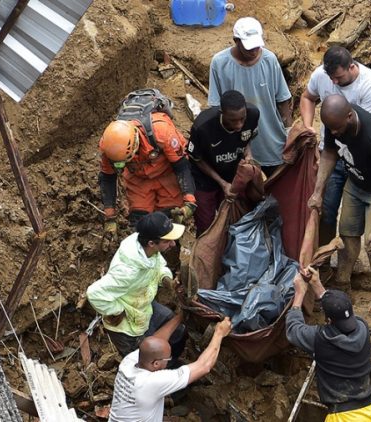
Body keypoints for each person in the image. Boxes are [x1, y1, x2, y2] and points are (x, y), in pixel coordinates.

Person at [308, 95, 371, 333]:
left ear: (350, 116)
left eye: (338, 129)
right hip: (357, 182)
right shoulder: (335, 123)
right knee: (347, 235)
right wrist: (318, 192)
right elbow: (330, 153)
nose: (335, 133)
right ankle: (343, 285)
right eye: (331, 129)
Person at [299, 46, 371, 253]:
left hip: (359, 158)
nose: (334, 83)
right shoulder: (322, 75)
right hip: (330, 152)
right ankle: (323, 258)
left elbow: (365, 131)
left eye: (338, 77)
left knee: (350, 220)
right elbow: (308, 97)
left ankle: (347, 263)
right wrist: (309, 126)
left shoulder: (370, 86)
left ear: (352, 67)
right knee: (325, 209)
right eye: (331, 78)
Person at [86, 212, 187, 359]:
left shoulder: (147, 248)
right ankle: (158, 374)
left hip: (143, 305)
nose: (172, 244)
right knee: (144, 360)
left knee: (175, 328)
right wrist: (118, 311)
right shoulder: (128, 271)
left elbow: (158, 265)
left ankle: (171, 364)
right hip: (127, 326)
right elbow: (94, 294)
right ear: (152, 243)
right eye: (167, 241)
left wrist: (167, 280)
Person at [286, 268, 371, 421]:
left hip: (341, 417)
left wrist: (299, 294)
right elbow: (339, 312)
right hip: (368, 412)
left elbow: (293, 329)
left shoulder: (323, 339)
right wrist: (318, 285)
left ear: (328, 321)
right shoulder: (363, 328)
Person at [207, 17, 292, 177]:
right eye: (249, 48)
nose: (254, 51)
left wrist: (288, 130)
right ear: (236, 41)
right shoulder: (220, 63)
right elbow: (215, 107)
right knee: (244, 188)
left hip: (270, 137)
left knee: (277, 186)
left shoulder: (269, 60)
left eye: (256, 46)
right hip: (236, 140)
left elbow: (283, 99)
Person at [98, 113, 196, 245]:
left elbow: (182, 167)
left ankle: (169, 256)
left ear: (135, 146)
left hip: (167, 174)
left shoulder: (162, 133)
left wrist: (189, 200)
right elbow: (108, 178)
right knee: (140, 222)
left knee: (167, 219)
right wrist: (110, 217)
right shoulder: (109, 148)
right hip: (138, 178)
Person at [109, 316, 232, 422]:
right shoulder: (152, 383)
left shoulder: (129, 362)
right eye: (168, 359)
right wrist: (219, 334)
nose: (170, 360)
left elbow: (156, 340)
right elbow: (204, 366)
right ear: (156, 364)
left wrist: (180, 316)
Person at [188, 90, 259, 234]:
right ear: (222, 113)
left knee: (233, 217)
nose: (239, 125)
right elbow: (198, 159)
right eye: (233, 120)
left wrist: (248, 155)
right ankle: (206, 253)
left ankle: (230, 252)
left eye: (242, 119)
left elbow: (247, 139)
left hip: (231, 173)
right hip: (204, 179)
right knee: (206, 223)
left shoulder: (253, 115)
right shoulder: (203, 127)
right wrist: (222, 183)